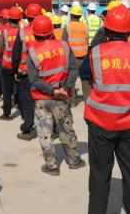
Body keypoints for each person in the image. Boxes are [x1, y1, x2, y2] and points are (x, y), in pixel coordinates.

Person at [81, 5, 130, 214]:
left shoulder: (95, 53)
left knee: (99, 175)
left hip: (100, 124)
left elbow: (85, 74)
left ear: (106, 30)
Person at [27, 15, 84, 176]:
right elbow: (74, 69)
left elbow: (33, 79)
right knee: (66, 130)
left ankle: (51, 166)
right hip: (62, 98)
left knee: (45, 134)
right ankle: (74, 161)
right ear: (52, 31)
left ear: (35, 34)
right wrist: (64, 88)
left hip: (42, 99)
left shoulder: (32, 52)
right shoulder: (64, 46)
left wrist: (51, 91)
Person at [12, 3, 43, 140]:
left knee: (28, 102)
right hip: (44, 73)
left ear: (27, 17)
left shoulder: (23, 32)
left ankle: (27, 130)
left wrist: (15, 70)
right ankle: (53, 129)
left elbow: (16, 53)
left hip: (26, 73)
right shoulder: (47, 31)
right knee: (47, 101)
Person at [62, 4, 90, 105]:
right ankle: (88, 101)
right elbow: (87, 40)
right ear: (80, 16)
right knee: (85, 80)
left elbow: (64, 42)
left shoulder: (68, 26)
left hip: (72, 57)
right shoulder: (86, 26)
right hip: (84, 56)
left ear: (71, 15)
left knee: (72, 80)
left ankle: (72, 102)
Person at [0, 7, 22, 121]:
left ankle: (6, 114)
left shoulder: (5, 32)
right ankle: (22, 110)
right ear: (19, 19)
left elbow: (1, 49)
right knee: (21, 89)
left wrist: (3, 58)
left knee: (7, 90)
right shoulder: (23, 32)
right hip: (20, 65)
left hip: (7, 64)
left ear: (9, 19)